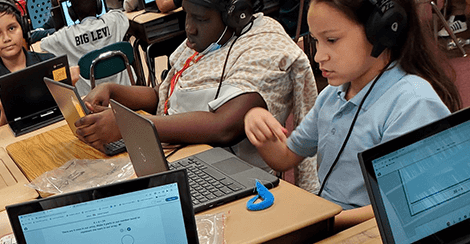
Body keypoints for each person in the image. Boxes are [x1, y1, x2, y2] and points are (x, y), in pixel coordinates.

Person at [244, 0, 461, 230]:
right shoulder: (332, 95)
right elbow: (286, 156)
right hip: (331, 223)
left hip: (368, 238)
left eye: (332, 40)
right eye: (316, 41)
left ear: (383, 31)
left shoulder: (412, 104)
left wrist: (319, 221)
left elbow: (402, 210)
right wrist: (259, 124)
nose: (318, 56)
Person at [75, 0, 319, 187]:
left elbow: (223, 125)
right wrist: (114, 91)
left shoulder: (265, 47)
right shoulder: (210, 41)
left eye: (201, 19)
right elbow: (165, 96)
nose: (189, 27)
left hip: (235, 180)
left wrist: (132, 126)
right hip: (188, 160)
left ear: (235, 16)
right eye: (187, 14)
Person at [0, 0, 77, 128]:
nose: (6, 38)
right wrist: (4, 111)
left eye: (12, 28)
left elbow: (69, 108)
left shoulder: (49, 62)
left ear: (23, 28)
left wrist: (70, 86)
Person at [39, 0, 131, 96]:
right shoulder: (114, 20)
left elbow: (43, 43)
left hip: (92, 99)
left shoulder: (65, 36)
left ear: (71, 13)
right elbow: (122, 15)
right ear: (99, 6)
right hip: (125, 92)